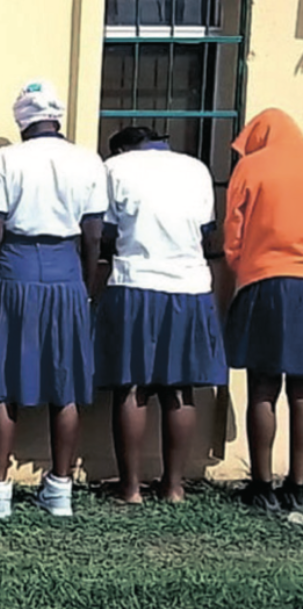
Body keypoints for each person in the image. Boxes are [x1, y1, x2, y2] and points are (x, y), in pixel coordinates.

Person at [0, 79, 105, 519]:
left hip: (14, 267)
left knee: (3, 382)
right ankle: (61, 488)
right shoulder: (87, 160)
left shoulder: (5, 159)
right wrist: (86, 287)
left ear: (21, 120)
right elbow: (92, 235)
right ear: (57, 117)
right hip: (66, 269)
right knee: (64, 385)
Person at [95, 126, 227, 505]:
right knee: (180, 389)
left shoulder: (116, 168)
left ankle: (131, 487)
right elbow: (205, 234)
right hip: (190, 286)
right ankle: (174, 486)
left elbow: (106, 233)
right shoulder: (196, 168)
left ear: (121, 147)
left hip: (135, 283)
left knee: (131, 385)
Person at [223, 108, 303, 512]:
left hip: (266, 281)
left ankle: (261, 485)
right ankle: (299, 484)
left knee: (263, 387)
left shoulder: (252, 168)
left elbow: (233, 231)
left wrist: (241, 266)